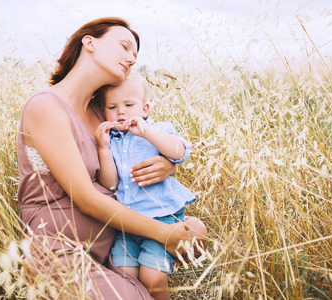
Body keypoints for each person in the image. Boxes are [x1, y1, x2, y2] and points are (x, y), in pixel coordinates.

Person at [16, 17, 207, 299]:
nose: (131, 58)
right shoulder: (46, 107)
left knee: (197, 231)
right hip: (63, 249)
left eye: (135, 54)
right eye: (124, 46)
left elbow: (142, 150)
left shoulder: (105, 112)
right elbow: (86, 199)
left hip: (116, 244)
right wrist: (164, 234)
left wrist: (168, 167)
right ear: (89, 43)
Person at [94, 71, 197, 300]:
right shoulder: (111, 140)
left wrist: (148, 132)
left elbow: (179, 153)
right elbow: (110, 184)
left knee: (152, 277)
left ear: (145, 109)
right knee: (124, 276)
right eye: (112, 107)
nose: (120, 112)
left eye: (129, 105)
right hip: (128, 223)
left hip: (162, 218)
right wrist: (103, 148)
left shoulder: (158, 129)